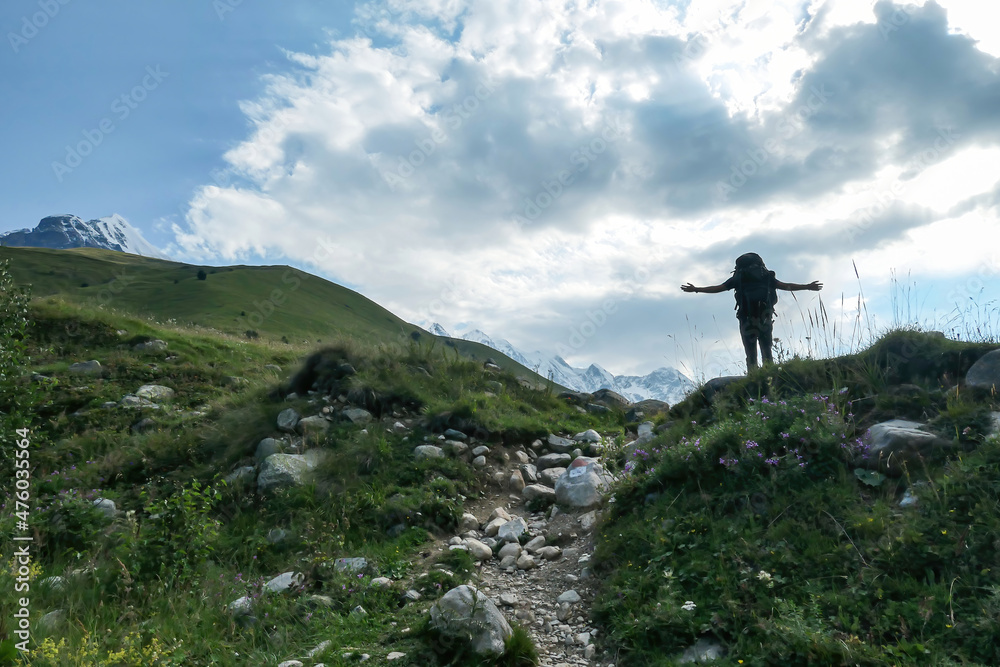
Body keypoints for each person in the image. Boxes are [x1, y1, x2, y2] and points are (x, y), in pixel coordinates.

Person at [681, 253, 822, 371]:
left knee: (751, 353)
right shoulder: (766, 276)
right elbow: (786, 286)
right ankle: (770, 377)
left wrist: (696, 289)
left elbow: (718, 288)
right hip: (765, 318)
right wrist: (808, 286)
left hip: (746, 318)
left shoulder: (739, 278)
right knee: (767, 350)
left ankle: (753, 380)